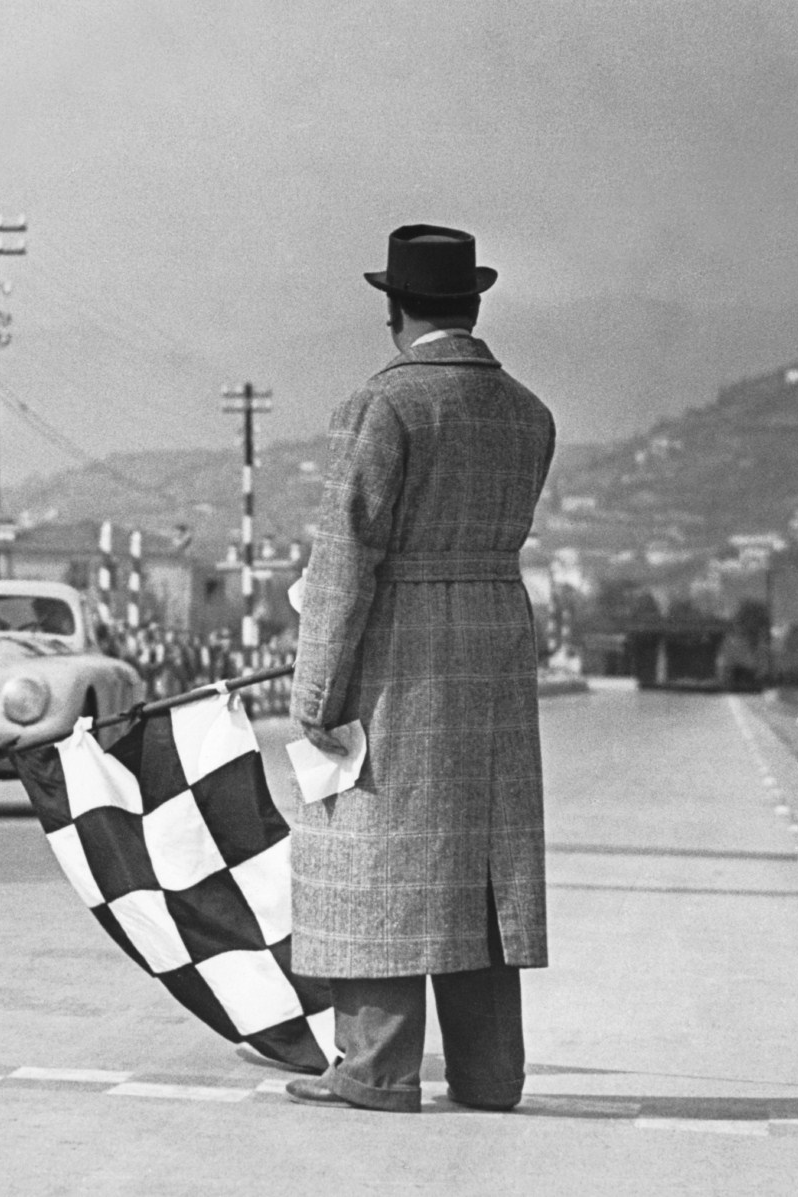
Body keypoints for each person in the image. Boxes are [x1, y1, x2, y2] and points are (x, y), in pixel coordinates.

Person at [286, 224, 554, 1113]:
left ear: (394, 311)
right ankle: (490, 1071)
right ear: (473, 304)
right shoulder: (528, 412)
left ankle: (377, 1068)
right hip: (496, 641)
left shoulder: (383, 405)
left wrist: (317, 691)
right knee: (481, 856)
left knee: (376, 851)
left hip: (398, 646)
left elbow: (344, 556)